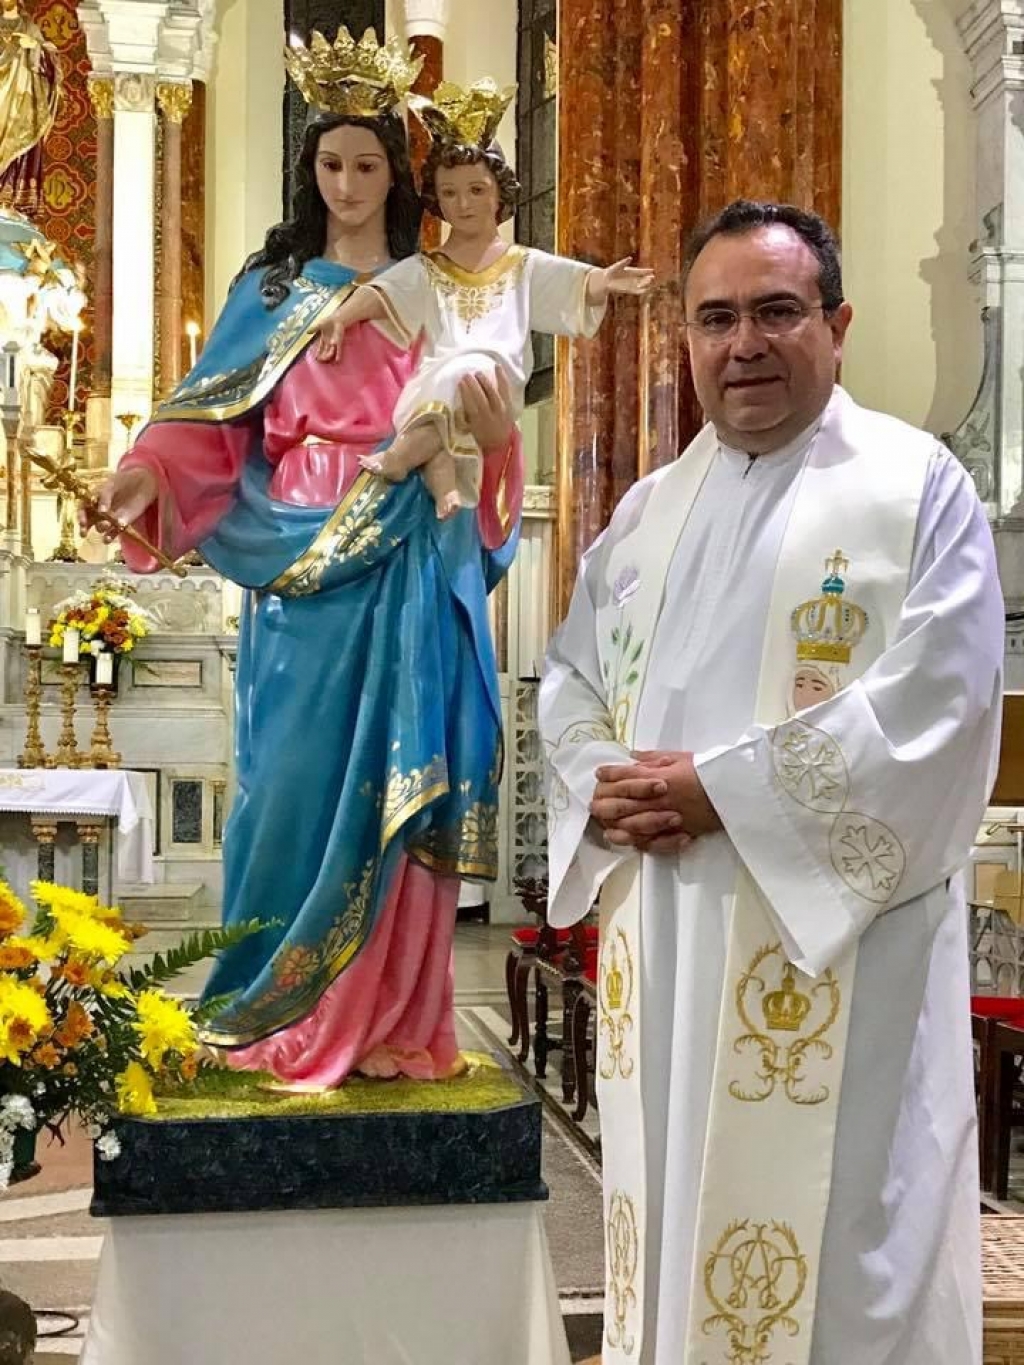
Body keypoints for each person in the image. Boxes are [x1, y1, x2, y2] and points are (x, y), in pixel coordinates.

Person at [541, 199, 1003, 1365]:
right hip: (665, 942)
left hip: (836, 960)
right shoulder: (647, 513)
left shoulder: (913, 490)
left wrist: (725, 792)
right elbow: (571, 677)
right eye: (715, 318)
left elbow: (937, 710)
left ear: (836, 327)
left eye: (776, 311)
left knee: (841, 1249)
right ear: (685, 340)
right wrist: (601, 779)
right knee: (671, 1214)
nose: (743, 343)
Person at [81, 31, 523, 1088]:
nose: (349, 185)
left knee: (395, 778)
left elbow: (478, 414)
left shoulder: (430, 287)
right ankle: (267, 999)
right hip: (295, 561)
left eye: (368, 164)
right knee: (282, 785)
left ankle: (388, 1019)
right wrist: (142, 475)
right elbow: (206, 420)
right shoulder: (272, 290)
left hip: (406, 554)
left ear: (397, 174)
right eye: (331, 163)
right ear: (309, 167)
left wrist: (494, 437)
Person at [314, 78, 653, 518]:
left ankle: (399, 458)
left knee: (467, 376)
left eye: (476, 190)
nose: (463, 204)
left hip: (494, 378)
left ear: (499, 191)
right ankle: (445, 492)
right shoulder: (428, 268)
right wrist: (340, 318)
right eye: (450, 192)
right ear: (437, 198)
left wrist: (602, 282)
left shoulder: (521, 265)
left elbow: (569, 283)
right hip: (440, 378)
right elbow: (382, 294)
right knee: (443, 414)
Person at [0, 0, 60, 216]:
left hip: (22, 98)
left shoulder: (30, 27)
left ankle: (10, 198)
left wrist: (34, 46)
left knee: (19, 141)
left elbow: (50, 64)